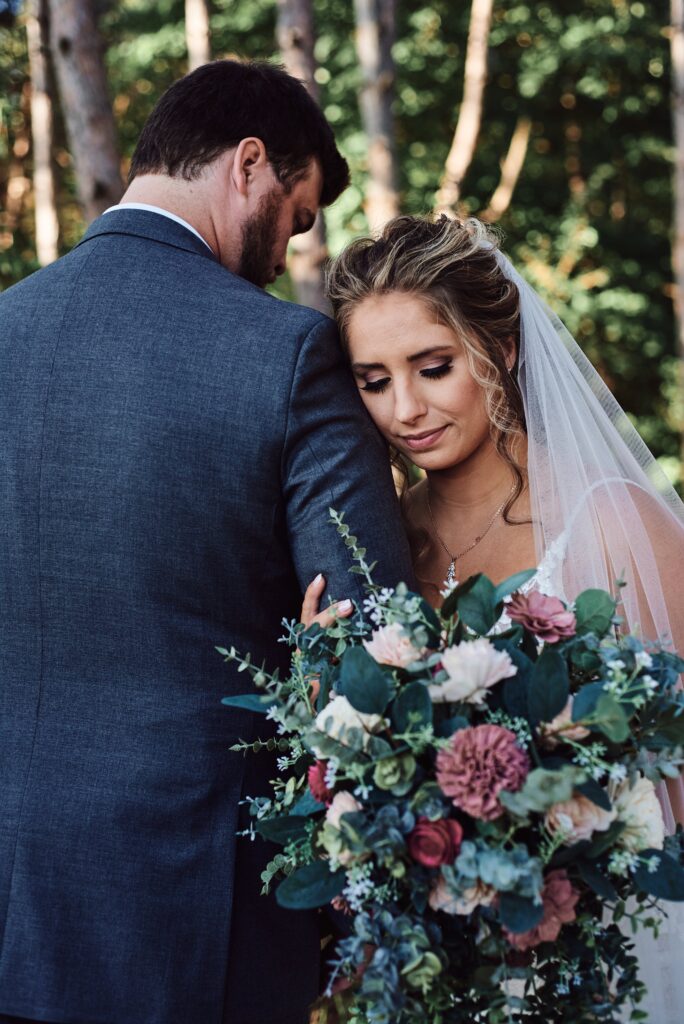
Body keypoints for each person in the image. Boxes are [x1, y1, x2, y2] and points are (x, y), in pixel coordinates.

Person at [0, 60, 414, 1024]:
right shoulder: (288, 352)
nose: (284, 254)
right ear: (250, 164)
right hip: (194, 921)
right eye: (298, 217)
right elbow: (377, 641)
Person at [305, 213, 684, 1022]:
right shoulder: (382, 542)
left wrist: (551, 847)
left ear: (502, 348)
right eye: (374, 381)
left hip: (601, 957)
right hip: (428, 975)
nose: (405, 408)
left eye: (433, 367)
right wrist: (317, 684)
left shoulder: (613, 525)